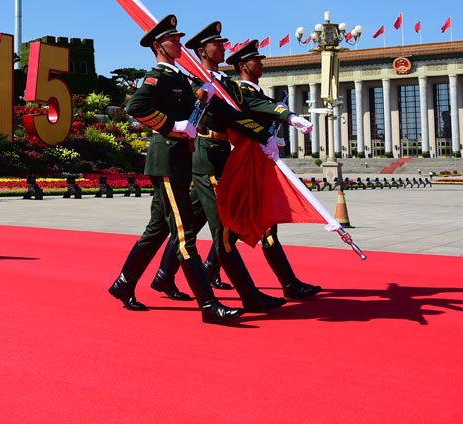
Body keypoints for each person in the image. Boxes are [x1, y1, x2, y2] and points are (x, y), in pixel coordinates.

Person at [109, 16, 277, 323]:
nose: (178, 43)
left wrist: (263, 134)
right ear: (159, 46)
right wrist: (172, 126)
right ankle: (208, 306)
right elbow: (136, 107)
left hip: (180, 162)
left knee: (157, 230)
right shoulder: (156, 77)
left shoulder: (182, 80)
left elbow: (210, 113)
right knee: (185, 236)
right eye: (173, 40)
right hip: (167, 162)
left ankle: (123, 283)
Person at [228, 40, 323, 299]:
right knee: (246, 225)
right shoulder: (241, 92)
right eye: (255, 60)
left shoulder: (258, 93)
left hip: (260, 162)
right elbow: (265, 109)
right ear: (242, 66)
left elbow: (267, 108)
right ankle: (289, 284)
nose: (261, 64)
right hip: (246, 164)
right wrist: (289, 116)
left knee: (240, 226)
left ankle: (205, 270)